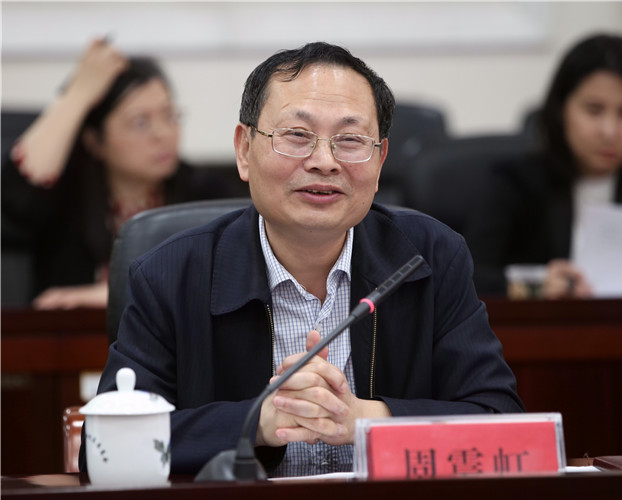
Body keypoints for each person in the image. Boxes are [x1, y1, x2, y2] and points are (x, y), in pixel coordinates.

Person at [82, 42, 524, 477]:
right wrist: (258, 422)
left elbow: (501, 420)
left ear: (380, 160)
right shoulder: (170, 275)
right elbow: (107, 447)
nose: (324, 161)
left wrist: (365, 419)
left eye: (350, 140)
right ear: (244, 150)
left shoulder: (430, 257)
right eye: (297, 136)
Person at [1, 39, 237, 309]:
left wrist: (102, 296)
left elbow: (226, 279)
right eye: (141, 122)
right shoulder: (68, 200)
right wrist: (78, 94)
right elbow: (15, 198)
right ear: (95, 141)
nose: (163, 133)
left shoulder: (205, 194)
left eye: (169, 115)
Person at [467, 34, 622, 298]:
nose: (610, 131)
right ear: (561, 109)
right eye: (594, 110)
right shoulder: (516, 182)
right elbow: (468, 277)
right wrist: (536, 286)